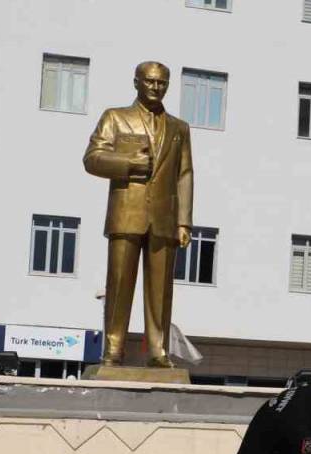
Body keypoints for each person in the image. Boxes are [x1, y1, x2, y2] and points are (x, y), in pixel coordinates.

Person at [83, 60, 193, 368]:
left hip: (165, 218)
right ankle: (113, 349)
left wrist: (184, 221)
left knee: (161, 291)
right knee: (119, 284)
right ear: (136, 83)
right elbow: (92, 158)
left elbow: (185, 174)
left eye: (162, 83)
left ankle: (158, 351)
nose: (156, 87)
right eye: (150, 81)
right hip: (126, 213)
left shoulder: (179, 128)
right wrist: (128, 163)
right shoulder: (116, 118)